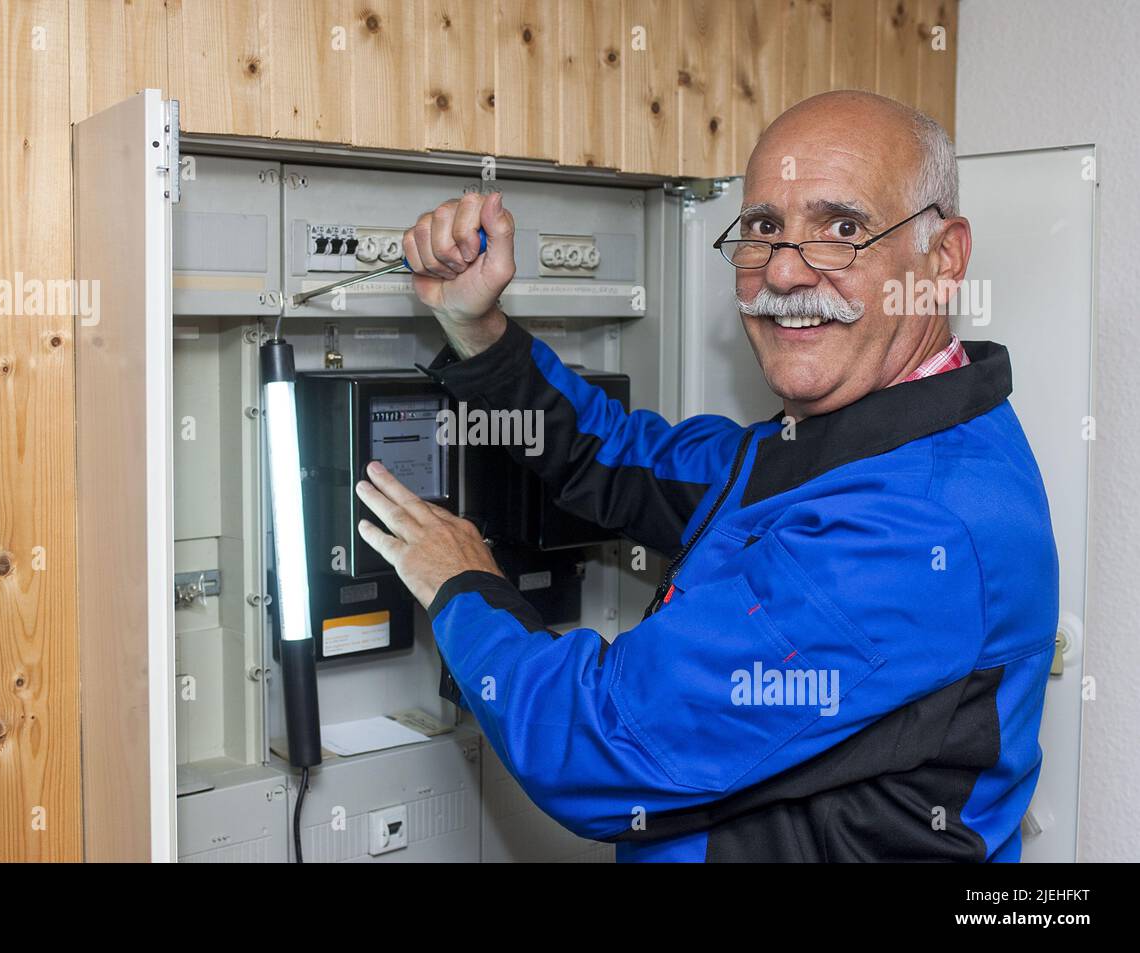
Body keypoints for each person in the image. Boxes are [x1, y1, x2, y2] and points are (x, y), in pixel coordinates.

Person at [353, 90, 1058, 862]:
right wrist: (477, 328)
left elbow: (601, 741)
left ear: (943, 259)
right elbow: (622, 456)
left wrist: (465, 588)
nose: (784, 272)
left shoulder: (913, 528)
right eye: (763, 228)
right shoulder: (861, 441)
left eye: (843, 228)